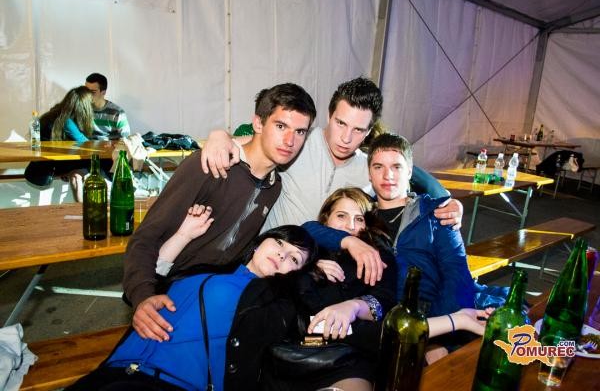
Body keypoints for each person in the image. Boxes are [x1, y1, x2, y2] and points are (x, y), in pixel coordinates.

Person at [200, 77, 464, 286]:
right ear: (329, 116)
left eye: (358, 130)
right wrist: (219, 136)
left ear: (369, 132)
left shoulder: (368, 168)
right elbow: (250, 143)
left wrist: (450, 202)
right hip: (266, 260)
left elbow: (411, 174)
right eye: (341, 123)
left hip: (322, 269)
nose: (346, 138)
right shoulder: (298, 141)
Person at [123, 83, 317, 343]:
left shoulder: (274, 187)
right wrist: (143, 295)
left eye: (300, 131)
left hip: (214, 299)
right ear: (258, 123)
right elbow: (145, 238)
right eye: (281, 126)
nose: (290, 141)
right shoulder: (210, 164)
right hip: (169, 293)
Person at [262, 187, 491, 390]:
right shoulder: (306, 250)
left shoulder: (379, 257)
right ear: (325, 219)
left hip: (346, 355)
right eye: (341, 216)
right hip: (284, 349)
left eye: (359, 219)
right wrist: (311, 265)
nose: (351, 226)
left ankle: (457, 321)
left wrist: (353, 306)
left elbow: (382, 302)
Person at [66, 223, 319, 391]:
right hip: (114, 369)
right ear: (260, 242)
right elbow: (151, 277)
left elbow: (310, 335)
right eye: (280, 242)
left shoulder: (272, 303)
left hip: (173, 383)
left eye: (294, 258)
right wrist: (183, 235)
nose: (283, 254)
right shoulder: (209, 268)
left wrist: (312, 278)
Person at [24, 86, 98, 187]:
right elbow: (84, 142)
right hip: (50, 166)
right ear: (84, 107)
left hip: (42, 164)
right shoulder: (66, 121)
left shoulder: (54, 113)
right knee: (93, 161)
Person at [85, 72, 131, 140]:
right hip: (87, 145)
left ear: (103, 92)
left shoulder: (117, 113)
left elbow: (126, 138)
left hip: (109, 145)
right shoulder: (82, 109)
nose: (87, 94)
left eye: (93, 92)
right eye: (85, 91)